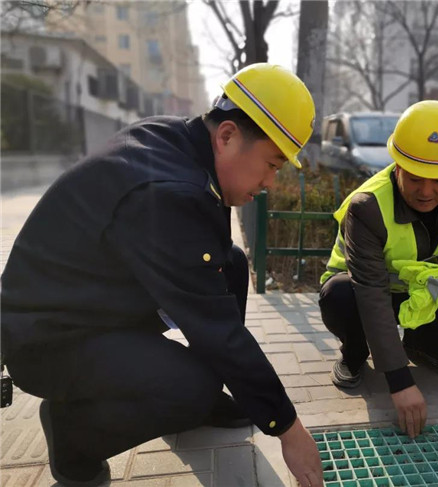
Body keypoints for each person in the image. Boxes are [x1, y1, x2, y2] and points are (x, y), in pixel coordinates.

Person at [0, 63, 324, 487]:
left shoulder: (181, 139)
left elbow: (207, 284)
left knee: (232, 263)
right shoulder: (171, 190)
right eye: (271, 164)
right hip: (50, 340)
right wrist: (287, 427)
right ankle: (73, 438)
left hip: (92, 300)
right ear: (226, 136)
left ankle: (202, 401)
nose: (269, 183)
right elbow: (218, 329)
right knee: (189, 387)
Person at [319, 101, 438, 439]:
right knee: (339, 294)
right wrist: (399, 382)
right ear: (397, 166)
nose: (427, 192)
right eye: (415, 179)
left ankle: (422, 345)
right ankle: (354, 354)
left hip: (412, 294)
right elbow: (370, 292)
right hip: (363, 295)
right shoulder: (367, 207)